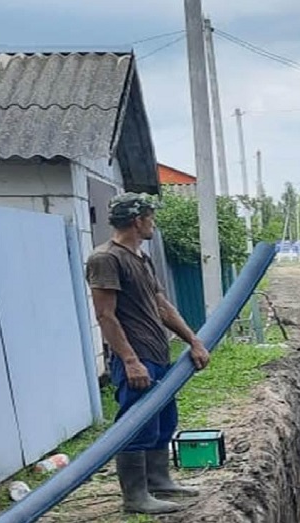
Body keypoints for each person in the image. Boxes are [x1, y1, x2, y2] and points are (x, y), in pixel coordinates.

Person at [85, 192, 210, 514]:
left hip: (156, 355)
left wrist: (192, 341)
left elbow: (161, 305)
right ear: (137, 220)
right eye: (150, 218)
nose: (153, 223)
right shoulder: (105, 258)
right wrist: (129, 360)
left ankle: (158, 480)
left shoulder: (141, 257)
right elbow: (105, 315)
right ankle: (135, 497)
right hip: (136, 358)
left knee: (164, 420)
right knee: (137, 424)